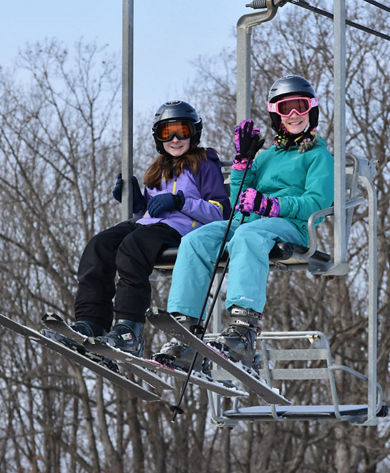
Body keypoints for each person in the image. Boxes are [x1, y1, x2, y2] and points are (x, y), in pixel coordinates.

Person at [157, 75, 334, 371]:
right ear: (275, 114)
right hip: (248, 221)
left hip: (289, 224)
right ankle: (184, 327)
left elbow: (316, 202)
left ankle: (243, 329)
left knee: (248, 235)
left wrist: (272, 205)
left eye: (300, 107)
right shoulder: (266, 157)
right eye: (285, 108)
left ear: (311, 110)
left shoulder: (318, 156)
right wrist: (242, 162)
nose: (293, 115)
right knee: (195, 240)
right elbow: (238, 195)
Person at [71, 100, 231, 356]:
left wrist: (181, 202)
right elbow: (149, 213)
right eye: (168, 133)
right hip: (150, 227)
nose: (176, 139)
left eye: (183, 131)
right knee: (100, 245)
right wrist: (137, 202)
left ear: (194, 132)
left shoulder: (204, 163)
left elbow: (220, 211)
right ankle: (91, 321)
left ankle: (128, 327)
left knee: (133, 247)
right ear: (159, 137)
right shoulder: (158, 169)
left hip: (183, 230)